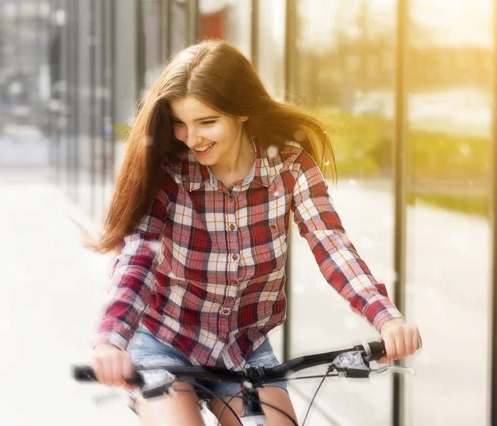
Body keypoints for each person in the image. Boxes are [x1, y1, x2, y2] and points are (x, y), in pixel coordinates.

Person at [90, 39, 421, 426]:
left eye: (207, 122)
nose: (191, 138)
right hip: (166, 343)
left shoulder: (290, 167)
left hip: (243, 350)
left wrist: (386, 318)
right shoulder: (170, 172)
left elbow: (330, 244)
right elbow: (137, 259)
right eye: (180, 123)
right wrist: (111, 338)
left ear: (242, 111)